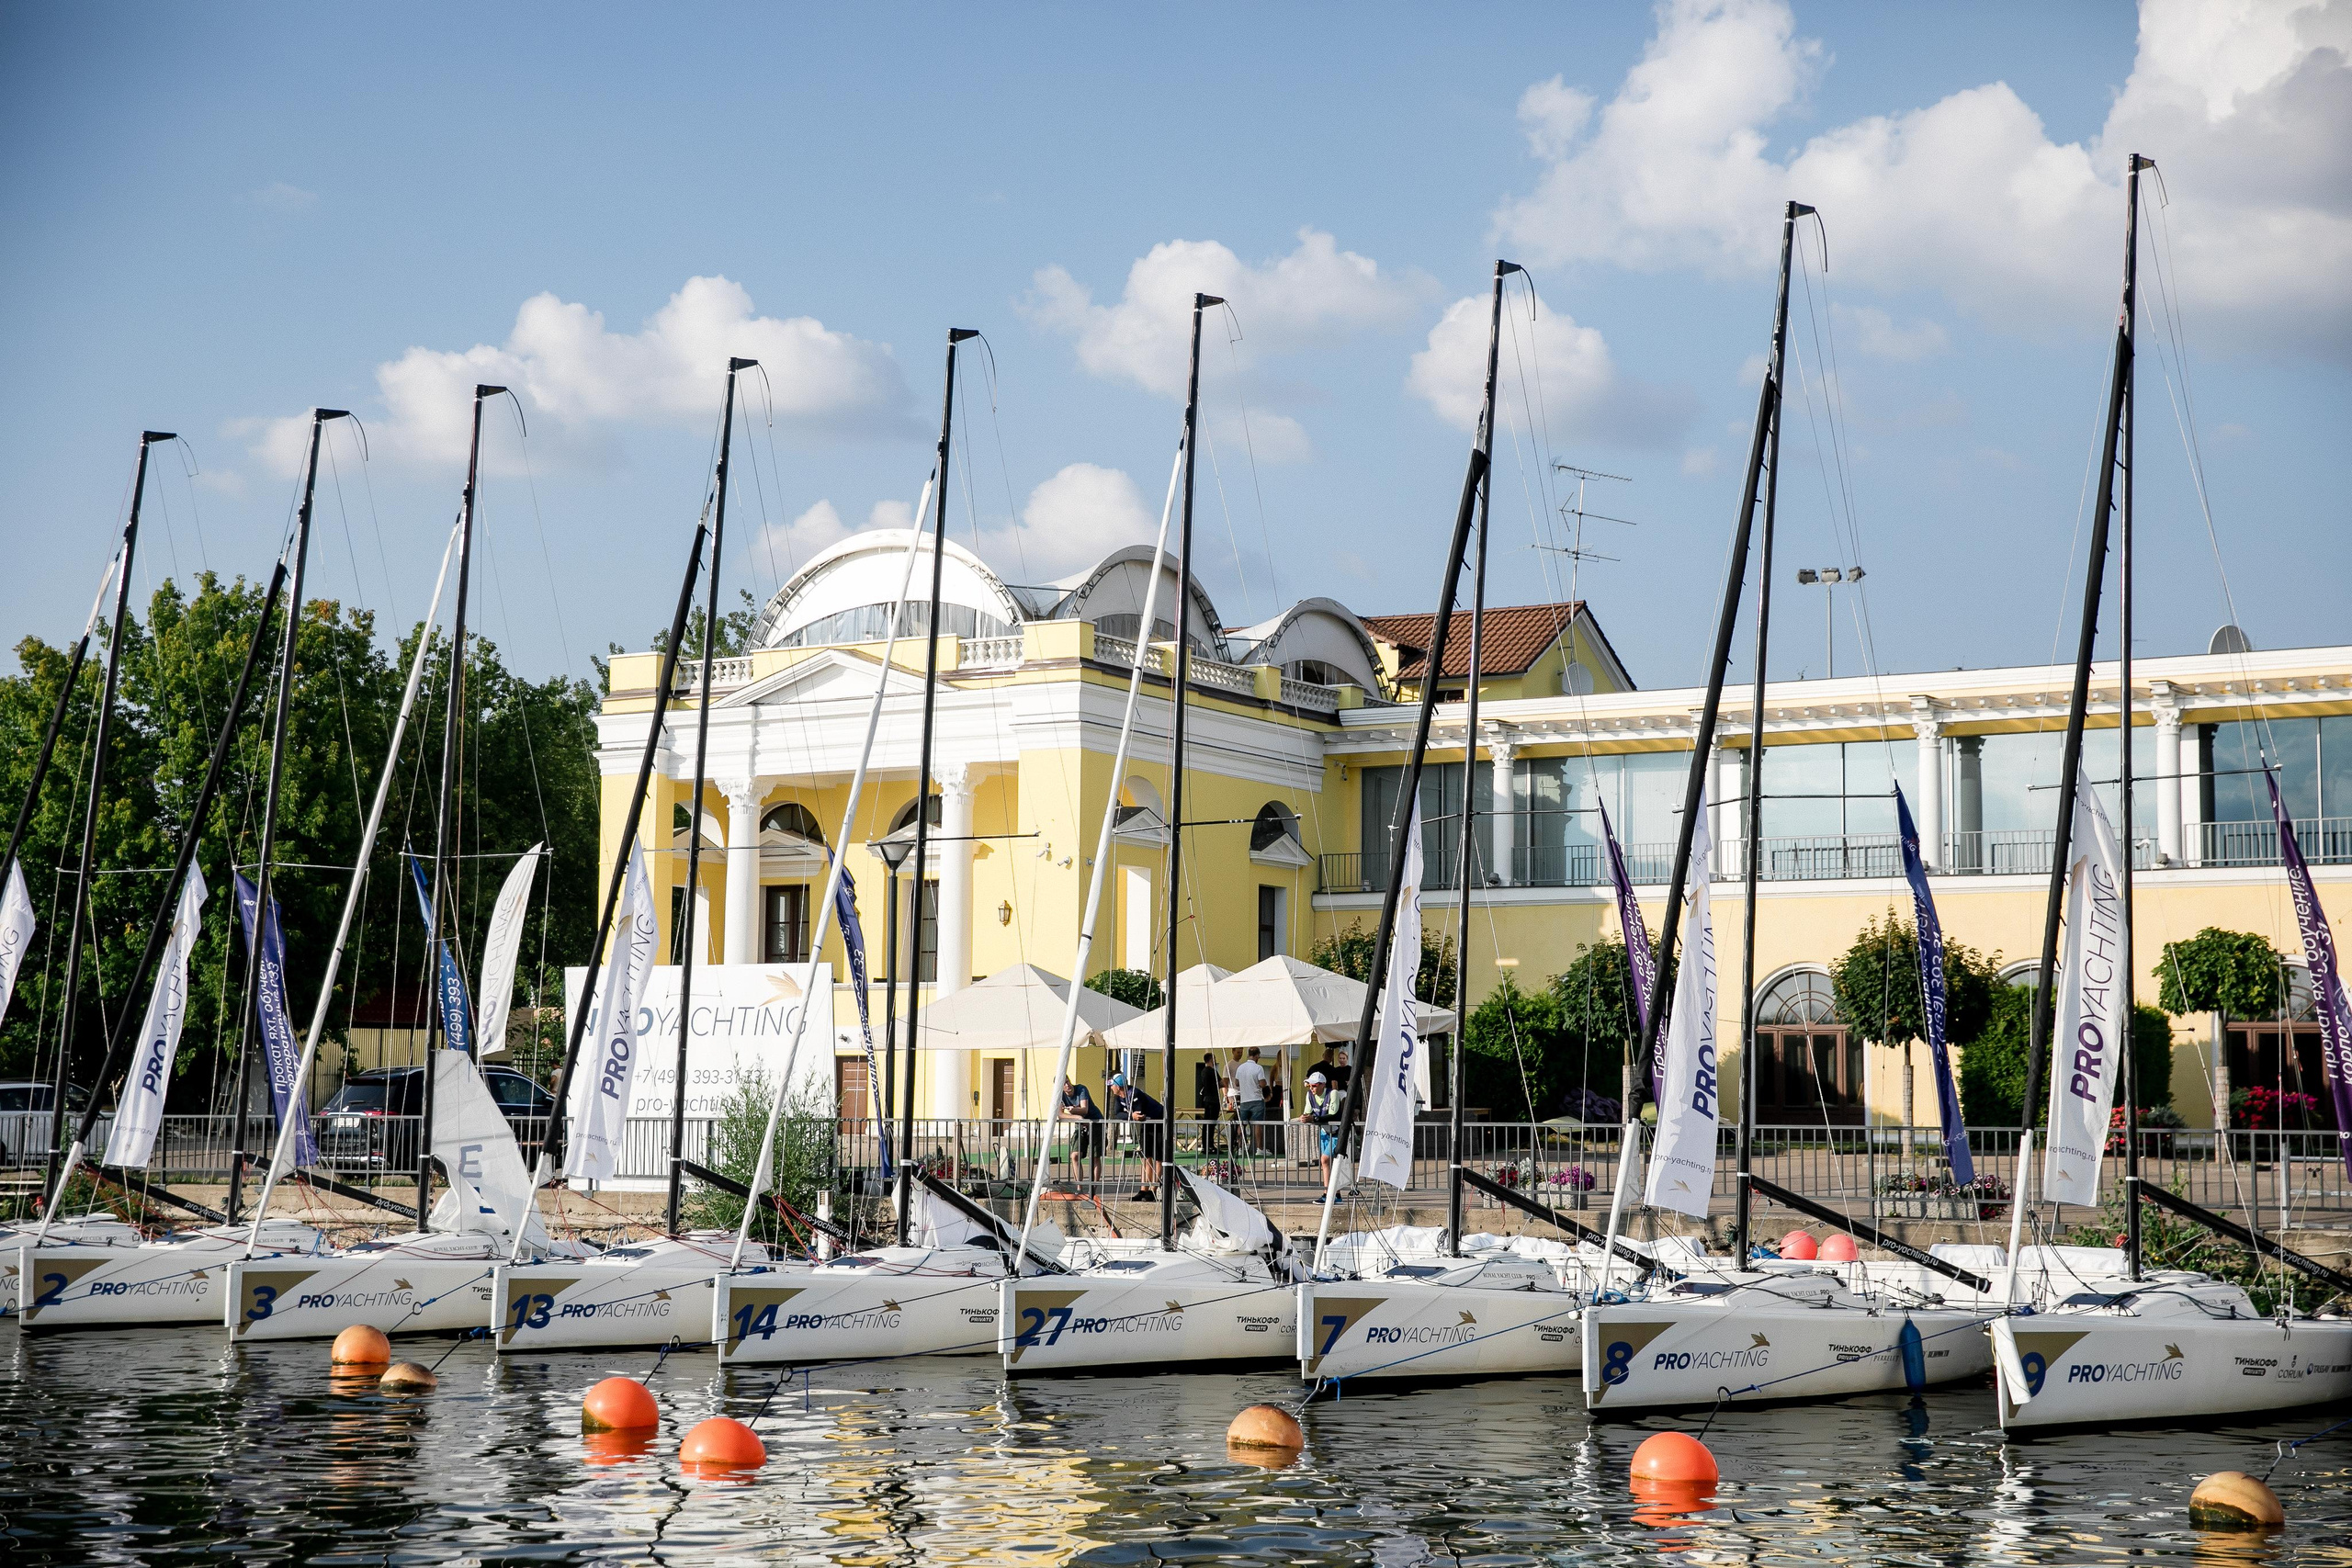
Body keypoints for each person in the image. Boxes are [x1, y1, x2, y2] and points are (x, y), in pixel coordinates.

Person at [1108, 1071, 1167, 1201]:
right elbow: (1118, 1113)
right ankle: (1143, 1189)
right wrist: (1130, 1116)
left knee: (1157, 1157)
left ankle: (1153, 1190)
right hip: (1146, 1124)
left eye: (1112, 1085)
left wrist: (1131, 1116)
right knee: (1146, 1156)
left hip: (1157, 1121)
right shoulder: (1119, 1097)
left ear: (1118, 1086)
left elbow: (1139, 1115)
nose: (1111, 1088)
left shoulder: (1135, 1094)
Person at [1057, 1076, 1103, 1191]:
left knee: (1095, 1156)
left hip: (1095, 1121)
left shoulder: (1081, 1089)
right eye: (1064, 1084)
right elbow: (1060, 1114)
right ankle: (1079, 1187)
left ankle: (1093, 1188)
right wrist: (1077, 1117)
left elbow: (1085, 1109)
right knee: (1075, 1155)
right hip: (1080, 1124)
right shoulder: (1060, 1096)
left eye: (1067, 1081)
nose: (1067, 1085)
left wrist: (1075, 1111)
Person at [1299, 1069, 1341, 1194]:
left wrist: (1314, 1118)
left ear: (1322, 1085)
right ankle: (1330, 1193)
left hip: (1337, 1131)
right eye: (1310, 1085)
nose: (1311, 1088)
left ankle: (1329, 1193)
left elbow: (1332, 1114)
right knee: (1326, 1163)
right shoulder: (1310, 1095)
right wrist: (1304, 1117)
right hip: (1324, 1132)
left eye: (1314, 1085)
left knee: (1325, 1159)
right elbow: (1307, 1112)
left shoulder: (1333, 1093)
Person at [1231, 1046, 1269, 1155]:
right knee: (1257, 1124)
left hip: (1244, 1100)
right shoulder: (1258, 1068)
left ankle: (1239, 1148)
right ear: (1257, 1055)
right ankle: (1260, 1149)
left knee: (1241, 1124)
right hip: (1256, 1099)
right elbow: (1262, 1084)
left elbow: (1237, 1083)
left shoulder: (1240, 1068)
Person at [1193, 1053, 1224, 1158]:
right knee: (1211, 1123)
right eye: (1214, 1059)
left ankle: (1206, 1145)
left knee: (1207, 1123)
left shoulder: (1203, 1072)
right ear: (1211, 1060)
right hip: (1213, 1100)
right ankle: (1209, 1145)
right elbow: (1222, 1083)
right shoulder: (1212, 1071)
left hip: (1206, 1100)